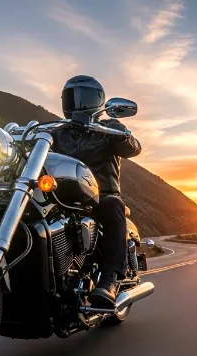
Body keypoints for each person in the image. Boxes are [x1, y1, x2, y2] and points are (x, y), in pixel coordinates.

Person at [49, 75, 142, 308]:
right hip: (64, 195)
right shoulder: (59, 132)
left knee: (113, 205)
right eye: (71, 96)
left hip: (100, 196)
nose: (76, 102)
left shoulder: (108, 128)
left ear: (96, 100)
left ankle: (110, 280)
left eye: (82, 96)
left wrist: (122, 134)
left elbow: (133, 148)